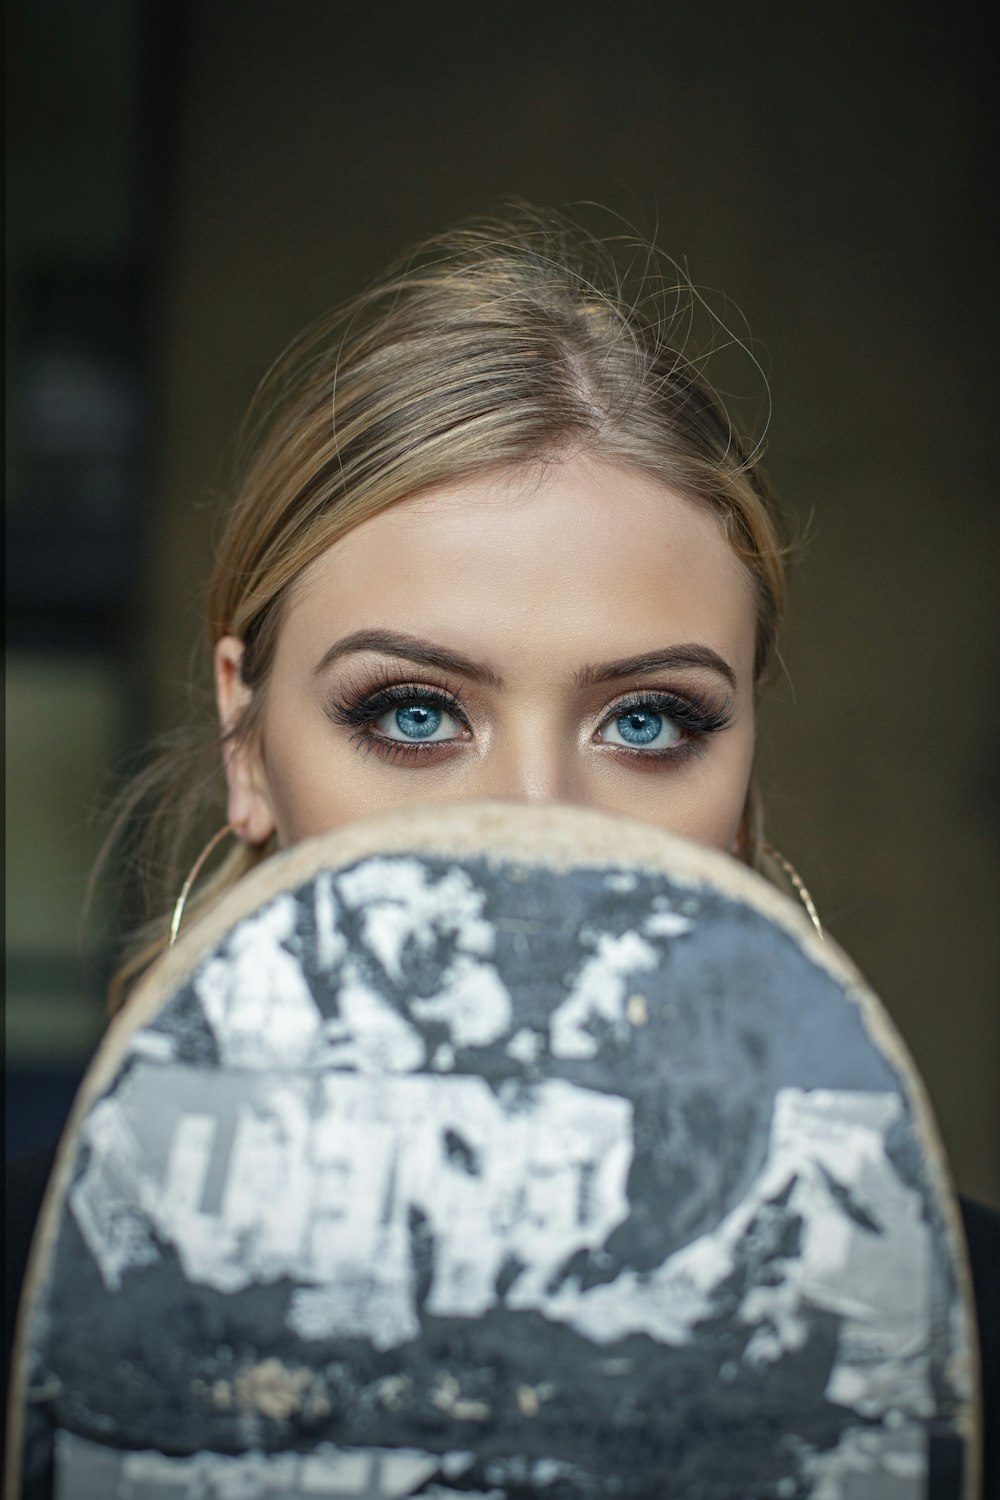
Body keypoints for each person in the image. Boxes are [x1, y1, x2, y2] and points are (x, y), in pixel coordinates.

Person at [7, 208, 997, 1489]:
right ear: (248, 743)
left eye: (648, 721)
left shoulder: (947, 1329)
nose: (537, 820)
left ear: (746, 772)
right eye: (413, 716)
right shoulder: (34, 1291)